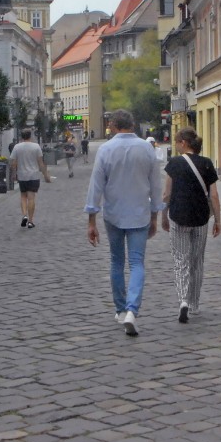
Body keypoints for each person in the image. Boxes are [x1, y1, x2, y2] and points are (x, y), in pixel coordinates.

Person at [85, 109, 164, 337]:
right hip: (139, 213)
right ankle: (132, 309)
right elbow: (156, 186)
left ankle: (120, 309)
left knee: (116, 261)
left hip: (114, 214)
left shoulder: (106, 149)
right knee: (137, 262)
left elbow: (96, 186)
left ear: (112, 125)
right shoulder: (146, 149)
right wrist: (155, 215)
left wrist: (92, 219)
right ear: (132, 124)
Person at [161, 127, 221, 323]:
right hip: (201, 218)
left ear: (183, 143)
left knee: (181, 261)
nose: (176, 146)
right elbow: (213, 196)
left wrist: (163, 215)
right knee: (197, 261)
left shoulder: (174, 164)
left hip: (178, 216)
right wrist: (218, 220)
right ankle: (194, 303)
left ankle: (183, 300)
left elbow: (166, 194)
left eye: (177, 142)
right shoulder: (206, 164)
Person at [9, 128, 52, 228]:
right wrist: (46, 175)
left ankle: (24, 215)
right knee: (31, 198)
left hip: (22, 175)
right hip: (33, 175)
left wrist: (13, 174)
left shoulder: (17, 147)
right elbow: (41, 163)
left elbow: (13, 163)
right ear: (30, 136)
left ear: (21, 137)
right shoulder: (36, 147)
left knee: (23, 196)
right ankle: (30, 221)